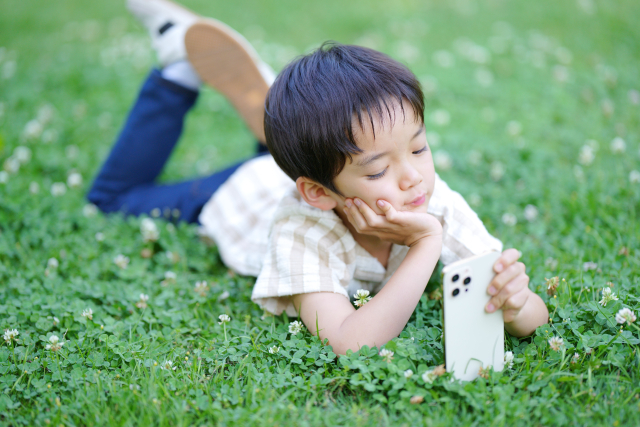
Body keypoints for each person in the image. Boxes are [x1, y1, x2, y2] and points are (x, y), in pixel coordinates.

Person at [88, 0, 549, 355]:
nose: (413, 178)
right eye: (380, 169)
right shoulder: (303, 228)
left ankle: (285, 127)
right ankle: (177, 68)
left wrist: (518, 305)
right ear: (317, 193)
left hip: (319, 175)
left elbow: (533, 315)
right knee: (114, 199)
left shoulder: (430, 198)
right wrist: (427, 245)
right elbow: (350, 342)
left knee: (321, 149)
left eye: (419, 147)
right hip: (242, 196)